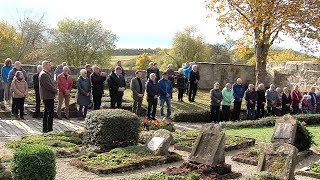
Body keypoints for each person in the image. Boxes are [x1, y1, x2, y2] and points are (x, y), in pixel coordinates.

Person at [39, 61, 57, 133]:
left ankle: (46, 128)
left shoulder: (47, 74)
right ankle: (49, 129)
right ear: (45, 65)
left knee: (47, 112)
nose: (50, 66)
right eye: (49, 65)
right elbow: (48, 85)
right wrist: (55, 90)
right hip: (47, 96)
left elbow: (51, 83)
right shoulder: (43, 74)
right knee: (50, 113)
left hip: (49, 96)